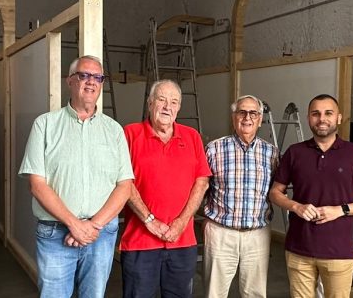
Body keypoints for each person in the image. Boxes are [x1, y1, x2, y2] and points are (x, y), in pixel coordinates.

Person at [18, 55, 134, 298]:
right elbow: (37, 185)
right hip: (55, 233)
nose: (91, 82)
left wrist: (92, 226)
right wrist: (74, 224)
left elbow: (124, 186)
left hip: (100, 235)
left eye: (97, 77)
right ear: (69, 81)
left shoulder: (113, 130)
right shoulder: (45, 125)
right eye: (84, 75)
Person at [268, 94, 353, 298]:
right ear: (308, 118)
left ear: (338, 117)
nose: (322, 119)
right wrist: (296, 207)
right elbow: (275, 192)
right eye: (315, 113)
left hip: (338, 251)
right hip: (298, 250)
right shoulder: (294, 153)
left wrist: (341, 210)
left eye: (328, 113)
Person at [119, 79, 212, 298]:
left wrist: (181, 222)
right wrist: (149, 220)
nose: (167, 106)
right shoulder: (130, 134)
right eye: (161, 99)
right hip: (140, 242)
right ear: (150, 103)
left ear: (179, 107)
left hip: (182, 240)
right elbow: (123, 181)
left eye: (173, 102)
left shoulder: (192, 137)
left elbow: (202, 181)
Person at [202, 95, 279, 298]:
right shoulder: (214, 149)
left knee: (254, 293)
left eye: (253, 113)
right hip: (220, 233)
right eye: (241, 112)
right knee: (214, 293)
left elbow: (275, 190)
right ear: (233, 117)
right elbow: (200, 188)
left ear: (260, 119)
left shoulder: (271, 153)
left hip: (258, 234)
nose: (247, 117)